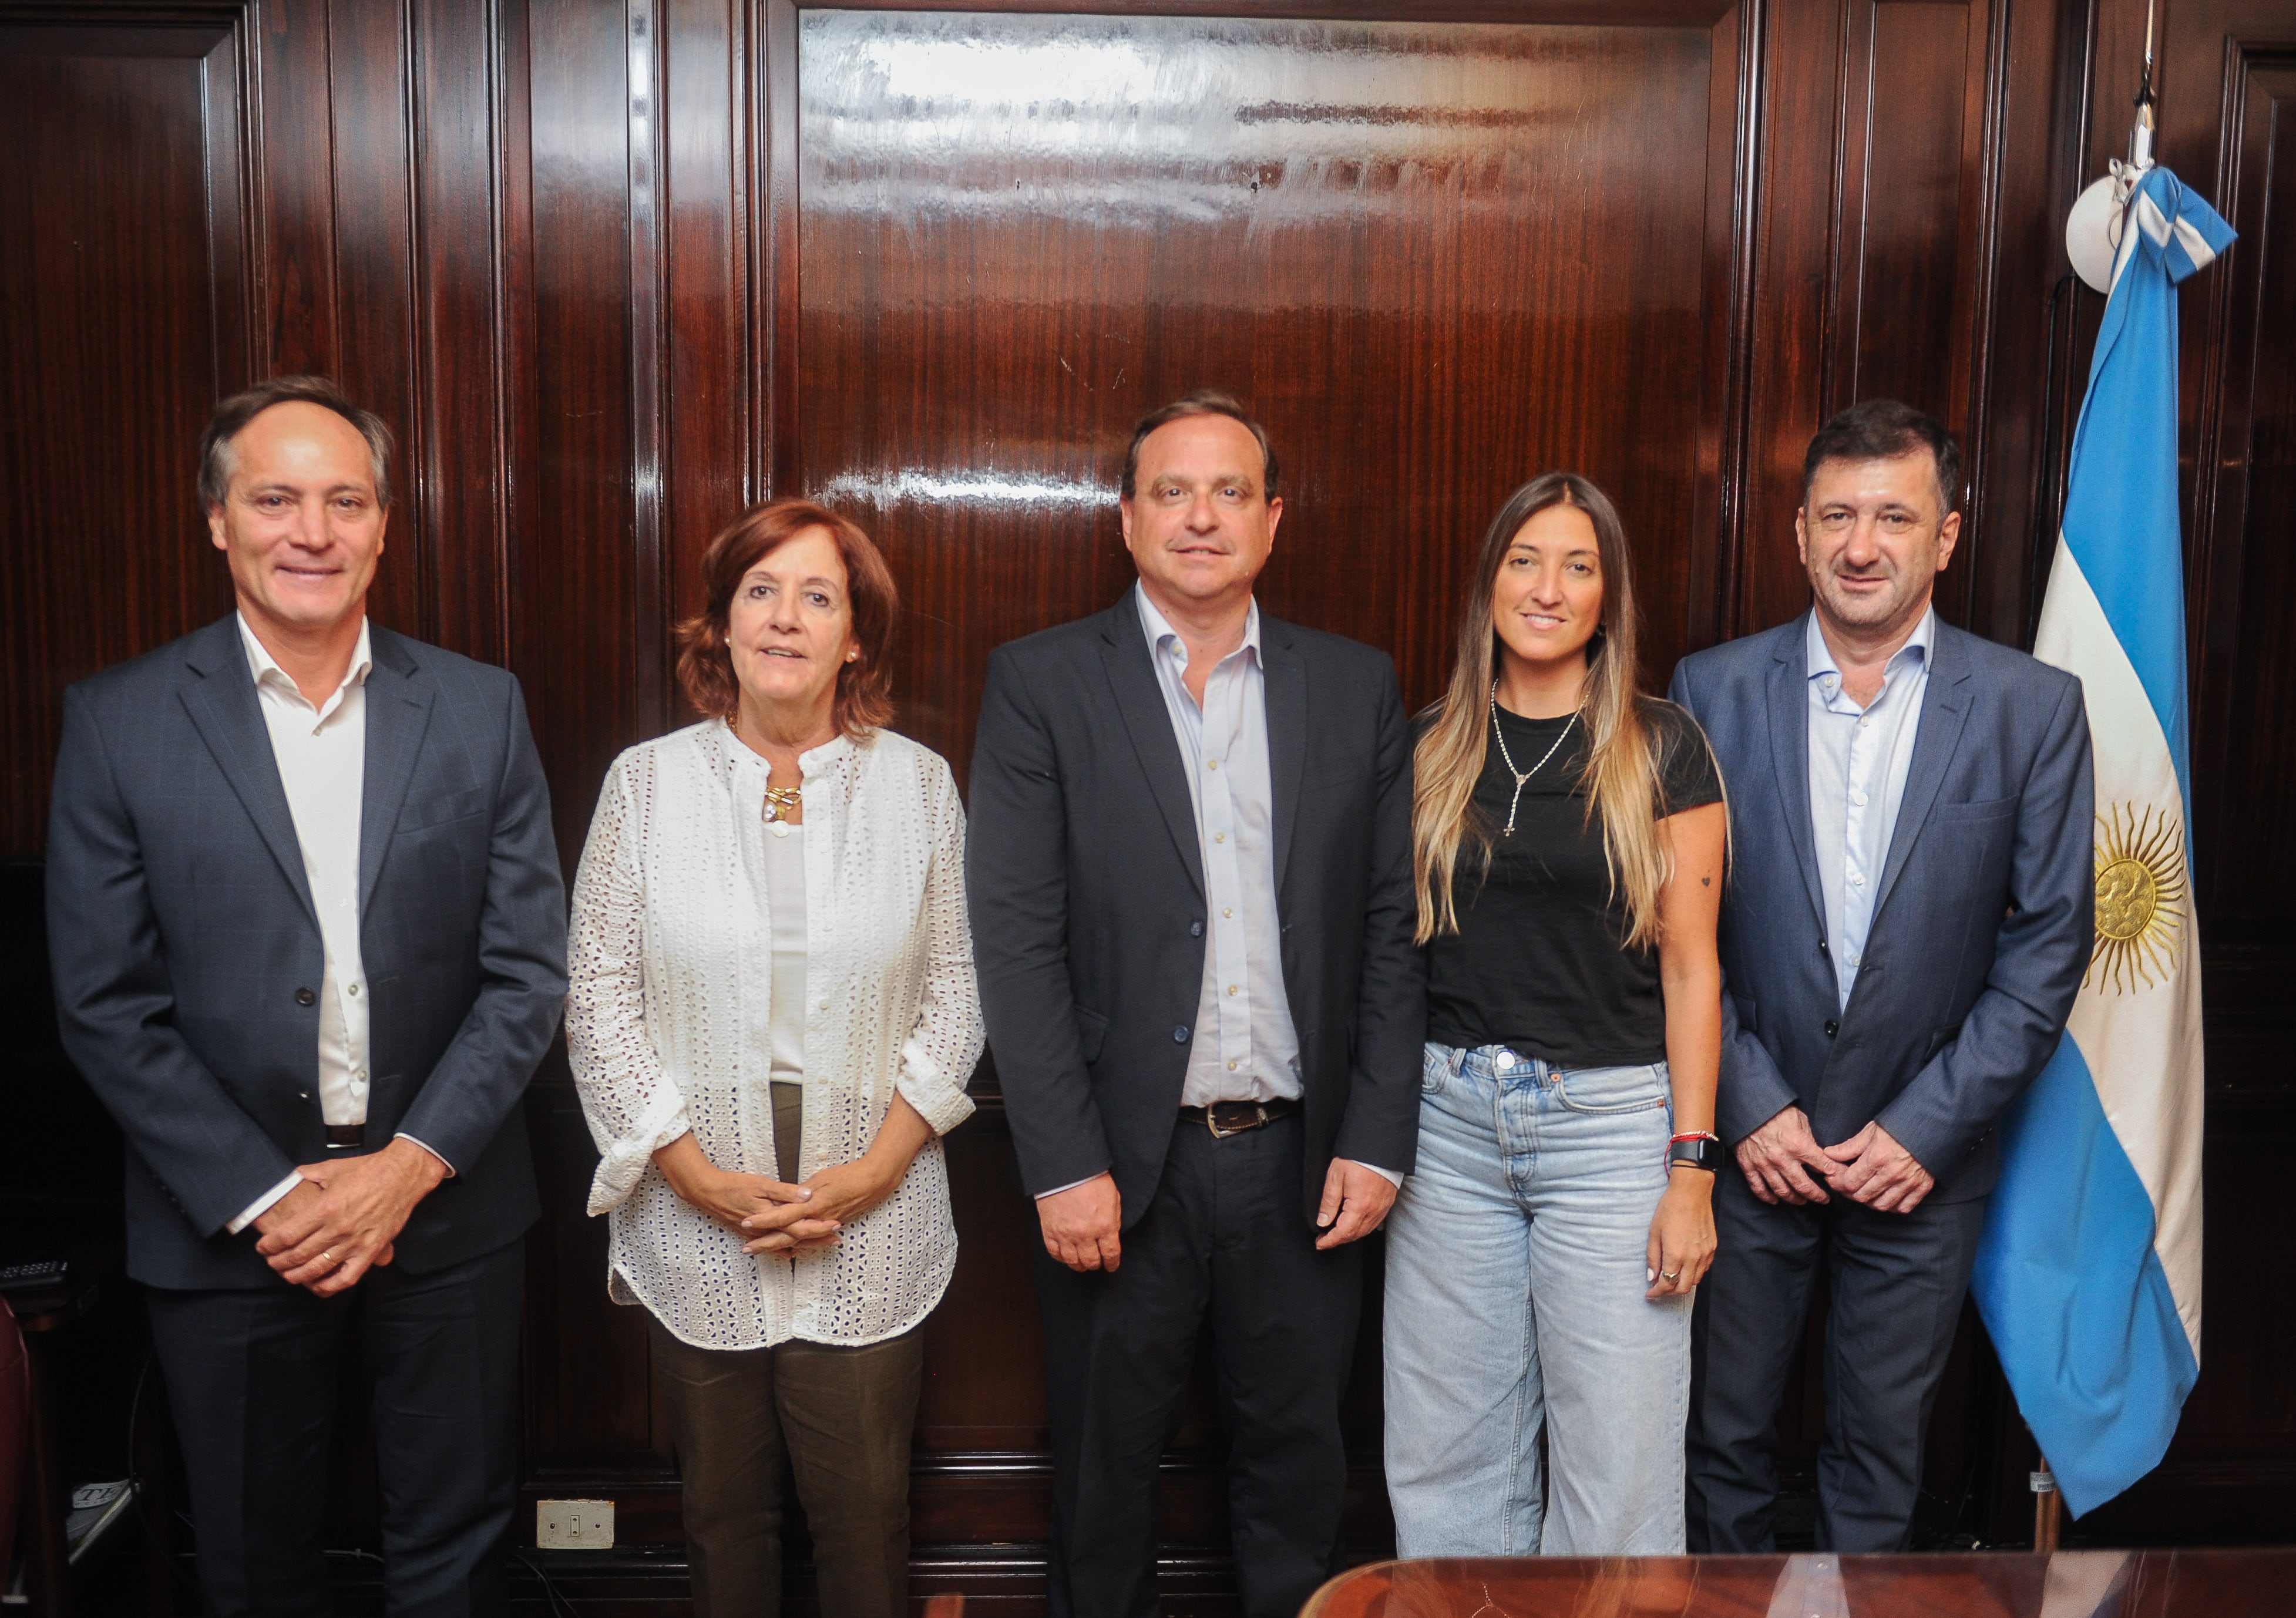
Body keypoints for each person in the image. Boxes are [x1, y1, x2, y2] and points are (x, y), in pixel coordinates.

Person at [45, 376, 568, 1616]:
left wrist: (403, 1168)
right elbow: (103, 1002)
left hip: (446, 1213)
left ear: (386, 524)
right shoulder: (118, 723)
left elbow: (525, 970)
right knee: (247, 1560)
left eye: (345, 501)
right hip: (227, 1224)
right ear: (218, 521)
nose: (312, 531)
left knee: (456, 1553)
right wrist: (272, 1195)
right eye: (274, 499)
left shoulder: (480, 707)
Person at [966, 391, 1424, 1618]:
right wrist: (1061, 1161)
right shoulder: (1041, 684)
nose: (1200, 516)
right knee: (1101, 1489)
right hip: (1118, 1165)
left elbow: (1389, 931)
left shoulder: (1353, 685)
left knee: (1296, 1487)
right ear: (1125, 520)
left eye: (1229, 491)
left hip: (1303, 1166)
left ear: (1272, 520)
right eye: (1171, 490)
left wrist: (1378, 1138)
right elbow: (1014, 942)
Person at [1668, 400, 2093, 1552]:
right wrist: (1746, 1110)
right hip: (1752, 1157)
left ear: (1944, 536)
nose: (1862, 544)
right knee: (1723, 1452)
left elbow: (2050, 942)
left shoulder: (2029, 708)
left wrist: (1923, 1128)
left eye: (1893, 516)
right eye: (1837, 516)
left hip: (1922, 1167)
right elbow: (1673, 926)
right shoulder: (1707, 692)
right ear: (1797, 533)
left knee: (1878, 1464)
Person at [565, 498, 981, 1618]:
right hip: (695, 1192)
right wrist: (688, 1172)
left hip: (871, 1192)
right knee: (721, 1517)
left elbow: (957, 991)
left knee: (864, 1521)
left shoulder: (921, 786)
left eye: (817, 596)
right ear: (722, 627)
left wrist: (881, 1166)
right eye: (760, 591)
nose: (785, 619)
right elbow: (597, 996)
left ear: (855, 635)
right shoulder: (643, 785)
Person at [1382, 473, 1729, 1556]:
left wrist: (1690, 1173)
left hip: (1612, 1134)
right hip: (1445, 1132)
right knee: (1447, 1461)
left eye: (1578, 566)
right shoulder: (1427, 744)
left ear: (1606, 598)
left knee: (1618, 1468)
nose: (1548, 587)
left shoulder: (1662, 746)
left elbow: (1693, 973)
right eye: (1525, 560)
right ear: (1489, 583)